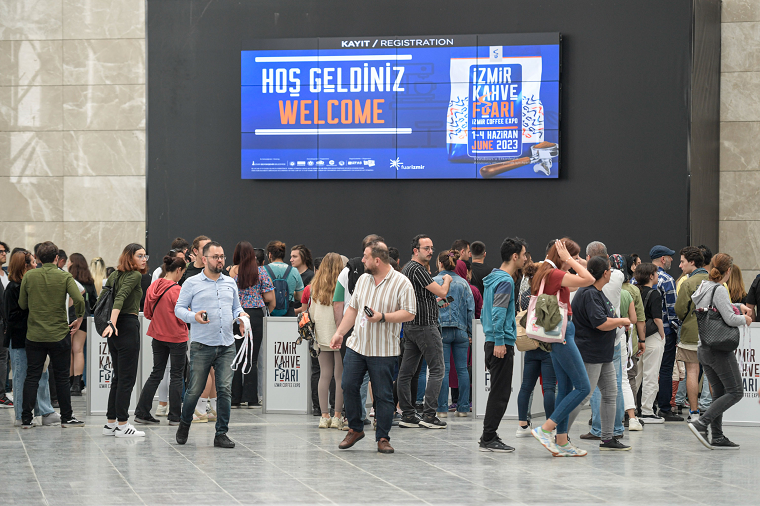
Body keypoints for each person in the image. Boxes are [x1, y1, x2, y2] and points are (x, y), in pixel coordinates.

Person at [330, 241, 416, 454]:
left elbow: (410, 313)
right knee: (348, 385)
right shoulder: (362, 280)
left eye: (366, 257)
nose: (363, 260)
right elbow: (353, 309)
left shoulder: (401, 282)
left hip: (383, 350)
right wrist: (339, 332)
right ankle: (355, 429)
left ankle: (383, 437)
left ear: (377, 260)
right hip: (357, 345)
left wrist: (383, 317)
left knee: (383, 395)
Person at [174, 241, 249, 448]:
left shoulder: (229, 282)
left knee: (224, 389)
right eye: (216, 257)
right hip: (201, 344)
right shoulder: (191, 283)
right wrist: (193, 316)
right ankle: (185, 423)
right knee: (194, 390)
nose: (220, 260)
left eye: (222, 256)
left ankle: (221, 433)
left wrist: (241, 317)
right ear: (204, 259)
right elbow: (178, 309)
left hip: (226, 344)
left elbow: (236, 307)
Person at [530, 239, 594, 457]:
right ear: (562, 256)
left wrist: (573, 260)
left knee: (565, 388)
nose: (577, 261)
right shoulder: (555, 275)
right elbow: (590, 279)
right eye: (573, 257)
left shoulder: (550, 273)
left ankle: (562, 441)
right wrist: (569, 259)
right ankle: (546, 429)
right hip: (562, 333)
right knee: (583, 387)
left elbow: (581, 278)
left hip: (559, 332)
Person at [18, 241, 85, 428]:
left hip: (35, 335)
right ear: (57, 258)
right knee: (62, 377)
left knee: (32, 376)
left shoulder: (29, 276)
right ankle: (67, 417)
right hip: (59, 334)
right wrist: (79, 318)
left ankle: (26, 418)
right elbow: (79, 298)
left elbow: (22, 304)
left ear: (38, 258)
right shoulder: (64, 277)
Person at [567, 256, 631, 451]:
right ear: (604, 273)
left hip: (603, 353)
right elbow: (600, 323)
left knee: (611, 393)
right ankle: (560, 433)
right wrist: (622, 321)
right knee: (583, 395)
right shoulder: (589, 294)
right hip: (591, 352)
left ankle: (607, 438)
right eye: (610, 270)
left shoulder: (596, 292)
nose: (612, 273)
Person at [688, 253, 751, 449]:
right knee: (736, 391)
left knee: (720, 392)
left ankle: (717, 435)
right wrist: (745, 319)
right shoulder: (720, 289)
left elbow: (715, 309)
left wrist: (737, 306)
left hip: (704, 346)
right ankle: (702, 423)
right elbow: (730, 319)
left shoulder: (704, 286)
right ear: (729, 270)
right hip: (719, 348)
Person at [478, 238, 527, 452]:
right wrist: (499, 341)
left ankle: (489, 434)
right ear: (514, 256)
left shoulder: (492, 279)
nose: (526, 258)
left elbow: (485, 311)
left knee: (498, 391)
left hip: (492, 340)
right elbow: (498, 312)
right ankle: (488, 437)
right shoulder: (505, 281)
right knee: (500, 393)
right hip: (500, 343)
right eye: (524, 254)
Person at [398, 234, 451, 429]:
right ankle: (429, 415)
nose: (430, 251)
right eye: (426, 248)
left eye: (431, 248)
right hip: (425, 326)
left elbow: (422, 297)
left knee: (406, 372)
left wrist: (434, 303)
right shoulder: (418, 269)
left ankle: (408, 414)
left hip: (412, 325)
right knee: (437, 369)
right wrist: (447, 279)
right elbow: (442, 291)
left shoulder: (406, 269)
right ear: (415, 250)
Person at [2, 251, 59, 426]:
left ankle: (45, 411)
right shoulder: (13, 288)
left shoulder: (29, 284)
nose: (36, 265)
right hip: (20, 340)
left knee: (41, 374)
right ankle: (20, 415)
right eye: (33, 262)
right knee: (21, 377)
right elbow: (12, 317)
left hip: (35, 337)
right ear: (24, 266)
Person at [98, 243, 148, 437]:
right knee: (126, 379)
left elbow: (102, 300)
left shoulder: (114, 275)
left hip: (115, 328)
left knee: (118, 378)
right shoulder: (135, 276)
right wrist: (112, 322)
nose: (144, 259)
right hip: (124, 325)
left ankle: (111, 423)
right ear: (130, 257)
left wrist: (109, 323)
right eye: (140, 256)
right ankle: (122, 425)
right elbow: (120, 297)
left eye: (145, 256)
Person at [134, 254, 189, 426]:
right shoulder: (177, 291)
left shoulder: (154, 285)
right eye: (183, 273)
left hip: (157, 335)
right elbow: (184, 316)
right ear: (178, 270)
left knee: (156, 372)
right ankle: (174, 416)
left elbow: (148, 312)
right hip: (176, 336)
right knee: (176, 375)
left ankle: (142, 412)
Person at [228, 241, 275, 408]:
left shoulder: (231, 271)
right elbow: (270, 299)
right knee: (252, 358)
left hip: (236, 315)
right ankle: (252, 398)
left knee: (236, 356)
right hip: (255, 314)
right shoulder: (261, 272)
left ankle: (234, 398)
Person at [433, 251, 474, 419]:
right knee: (462, 369)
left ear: (440, 264)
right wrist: (470, 332)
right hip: (461, 331)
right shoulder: (464, 284)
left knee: (443, 370)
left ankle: (441, 408)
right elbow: (470, 310)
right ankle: (463, 407)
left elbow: (433, 307)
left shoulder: (434, 282)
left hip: (441, 331)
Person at [310, 253, 345, 429]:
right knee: (340, 377)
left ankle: (324, 416)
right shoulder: (344, 286)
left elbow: (312, 315)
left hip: (322, 337)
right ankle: (337, 416)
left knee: (324, 375)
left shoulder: (315, 287)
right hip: (340, 335)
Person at [649, 245, 683, 422]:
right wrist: (677, 329)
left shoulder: (638, 277)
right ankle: (664, 407)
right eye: (670, 257)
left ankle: (646, 407)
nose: (672, 260)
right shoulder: (667, 279)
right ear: (663, 259)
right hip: (666, 331)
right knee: (665, 370)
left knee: (647, 370)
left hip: (645, 331)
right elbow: (672, 310)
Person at [674, 246, 709, 423]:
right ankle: (713, 413)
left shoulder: (687, 283)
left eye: (682, 262)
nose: (680, 266)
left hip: (691, 334)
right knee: (712, 374)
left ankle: (694, 413)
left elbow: (680, 310)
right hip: (713, 334)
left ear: (692, 262)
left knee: (692, 372)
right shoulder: (716, 281)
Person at [634, 263, 667, 424]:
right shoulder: (654, 294)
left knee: (636, 375)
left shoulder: (634, 291)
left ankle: (631, 410)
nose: (658, 276)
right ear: (651, 276)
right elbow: (657, 318)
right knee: (651, 374)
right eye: (656, 273)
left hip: (636, 337)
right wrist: (662, 334)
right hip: (652, 337)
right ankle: (647, 411)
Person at [66, 253, 98, 396]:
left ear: (73, 263)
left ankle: (69, 381)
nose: (67, 263)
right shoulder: (89, 282)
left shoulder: (68, 280)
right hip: (84, 318)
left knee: (69, 351)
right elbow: (94, 302)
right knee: (78, 350)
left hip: (69, 317)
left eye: (69, 261)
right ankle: (77, 385)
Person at [265, 240, 304, 316]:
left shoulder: (263, 271)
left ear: (270, 255)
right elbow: (301, 296)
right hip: (288, 311)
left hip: (269, 312)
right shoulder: (294, 271)